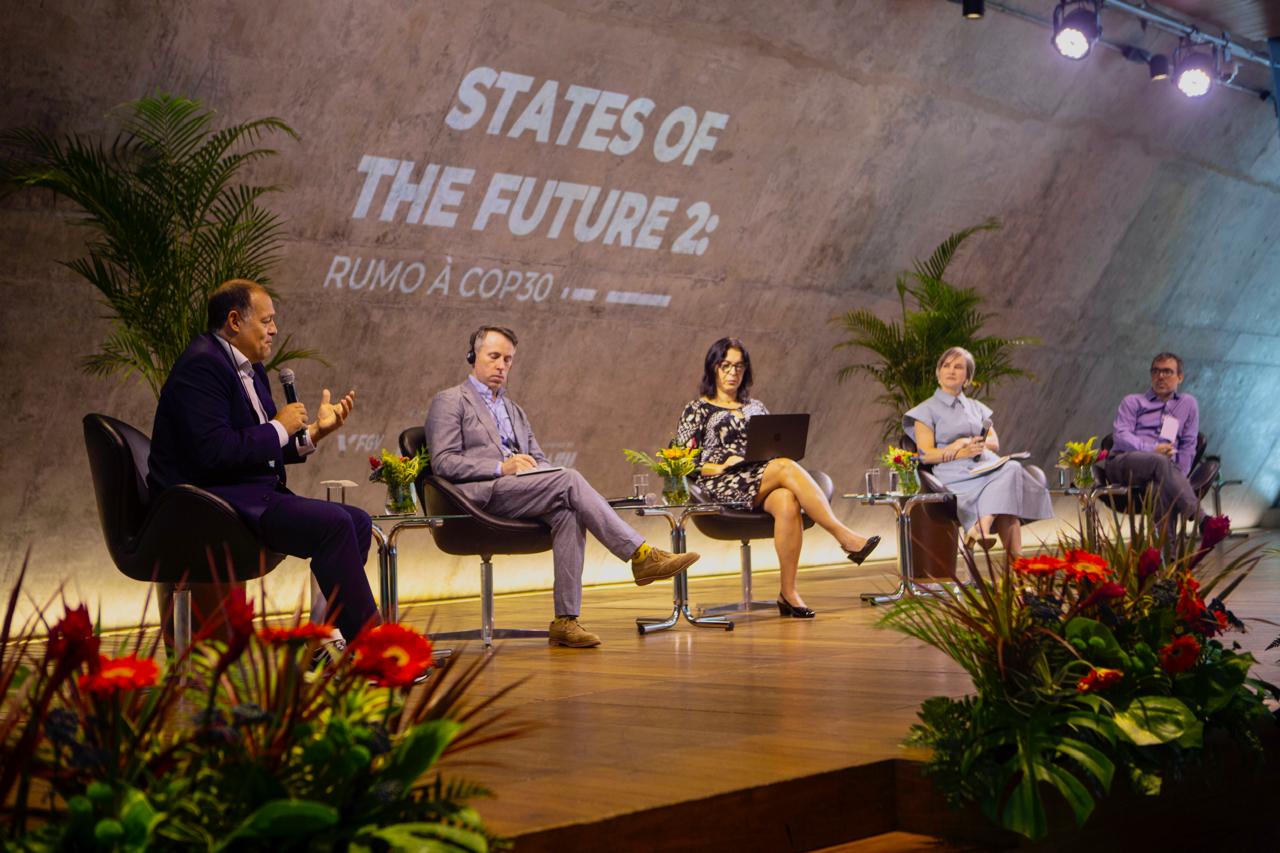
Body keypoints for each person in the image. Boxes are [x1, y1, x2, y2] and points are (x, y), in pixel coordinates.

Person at [425, 326, 701, 648]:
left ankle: (565, 621)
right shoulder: (450, 401)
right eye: (494, 356)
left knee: (568, 511)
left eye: (508, 360)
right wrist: (502, 467)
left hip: (522, 492)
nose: (501, 365)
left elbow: (539, 458)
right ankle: (641, 555)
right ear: (473, 357)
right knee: (569, 479)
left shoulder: (514, 410)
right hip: (478, 499)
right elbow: (444, 462)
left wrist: (541, 473)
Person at [148, 279, 378, 645]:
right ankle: (376, 648)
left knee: (357, 521)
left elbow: (262, 446)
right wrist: (279, 426)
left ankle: (325, 638)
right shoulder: (201, 365)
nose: (274, 330)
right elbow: (214, 451)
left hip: (250, 494)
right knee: (334, 524)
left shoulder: (252, 369)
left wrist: (315, 432)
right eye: (266, 320)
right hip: (212, 504)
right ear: (234, 321)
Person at [675, 338, 880, 619]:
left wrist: (765, 457)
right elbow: (682, 461)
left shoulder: (756, 407)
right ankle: (844, 536)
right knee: (784, 466)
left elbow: (770, 446)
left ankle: (788, 593)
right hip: (721, 482)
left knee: (786, 499)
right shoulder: (696, 409)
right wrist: (721, 465)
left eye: (739, 366)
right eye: (726, 366)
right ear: (713, 368)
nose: (733, 372)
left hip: (760, 477)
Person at [903, 346, 1051, 557]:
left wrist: (970, 442)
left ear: (967, 377)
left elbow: (994, 442)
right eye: (946, 366)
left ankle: (1002, 551)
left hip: (986, 466)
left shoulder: (977, 407)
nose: (951, 370)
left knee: (1010, 476)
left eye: (958, 367)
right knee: (1011, 472)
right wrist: (958, 450)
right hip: (954, 473)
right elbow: (926, 455)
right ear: (938, 373)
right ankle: (985, 531)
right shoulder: (925, 410)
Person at [1102, 352, 1205, 533]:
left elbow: (1189, 445)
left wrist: (1177, 477)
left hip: (1162, 470)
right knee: (1159, 461)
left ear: (1180, 377)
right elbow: (1121, 436)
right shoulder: (1133, 401)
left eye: (1167, 371)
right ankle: (1202, 519)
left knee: (1160, 486)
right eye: (1155, 371)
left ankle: (1166, 550)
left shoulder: (1187, 404)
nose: (1160, 376)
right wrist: (1152, 449)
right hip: (1124, 463)